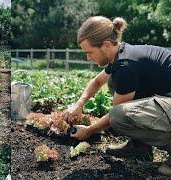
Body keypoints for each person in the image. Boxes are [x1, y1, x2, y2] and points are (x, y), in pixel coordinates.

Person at [63, 16, 171, 176]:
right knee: (113, 82)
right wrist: (79, 104)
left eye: (89, 52)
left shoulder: (126, 65)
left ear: (106, 45)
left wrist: (89, 130)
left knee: (119, 115)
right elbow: (97, 81)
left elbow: (115, 114)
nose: (88, 58)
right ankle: (139, 147)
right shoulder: (121, 56)